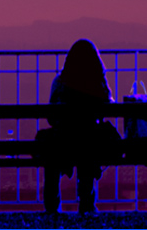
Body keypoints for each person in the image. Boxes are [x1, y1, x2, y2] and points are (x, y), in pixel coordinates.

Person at [39, 38, 116, 215]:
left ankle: (52, 206)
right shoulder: (98, 84)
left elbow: (51, 117)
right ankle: (87, 204)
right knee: (88, 152)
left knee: (53, 153)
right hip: (91, 142)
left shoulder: (60, 82)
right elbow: (109, 109)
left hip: (62, 142)